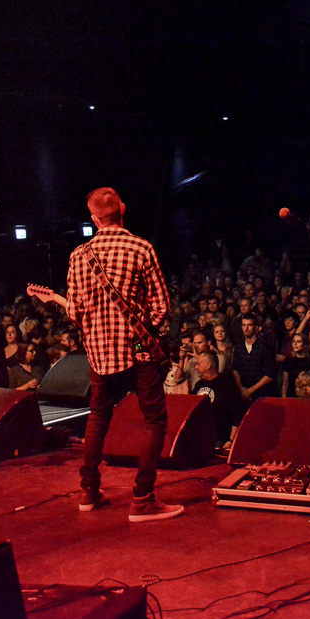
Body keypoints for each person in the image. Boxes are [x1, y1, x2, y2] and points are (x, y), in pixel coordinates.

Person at [64, 187, 182, 522]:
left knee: (98, 417)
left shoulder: (78, 255)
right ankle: (142, 498)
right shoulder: (141, 247)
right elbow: (162, 307)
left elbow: (74, 311)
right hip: (139, 353)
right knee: (154, 420)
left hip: (100, 356)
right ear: (123, 209)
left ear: (94, 218)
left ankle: (88, 490)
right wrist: (142, 336)